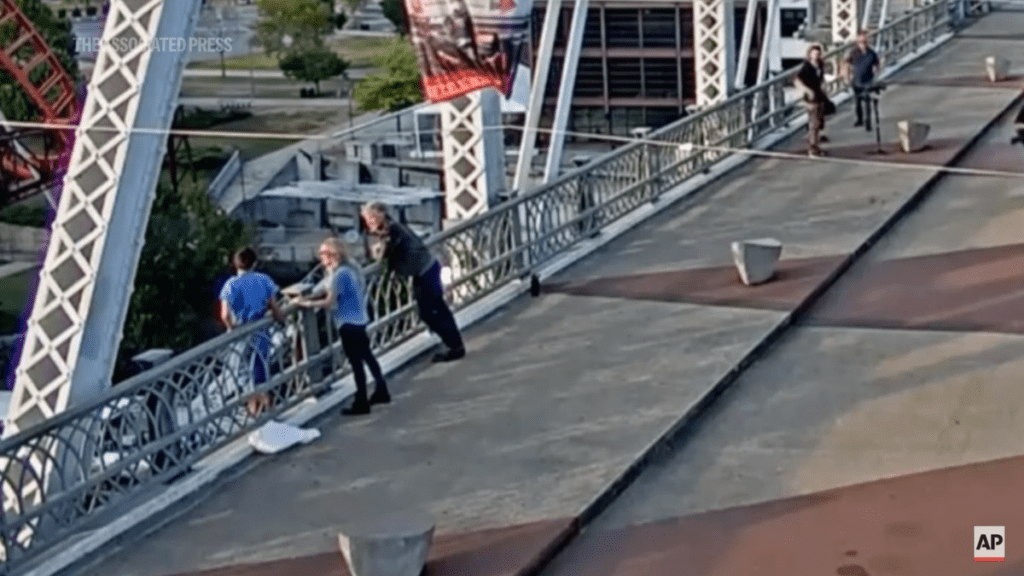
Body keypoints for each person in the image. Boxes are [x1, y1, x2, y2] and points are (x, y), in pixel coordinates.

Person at [295, 238, 390, 416]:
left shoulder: (339, 275)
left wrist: (305, 303)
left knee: (356, 364)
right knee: (367, 356)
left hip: (348, 323)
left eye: (323, 253)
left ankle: (362, 401)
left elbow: (329, 301)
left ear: (332, 255)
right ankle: (381, 388)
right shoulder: (350, 268)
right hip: (360, 319)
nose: (320, 257)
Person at [361, 202, 466, 363]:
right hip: (428, 269)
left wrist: (380, 260)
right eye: (367, 219)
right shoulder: (394, 227)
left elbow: (386, 259)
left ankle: (454, 346)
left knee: (430, 313)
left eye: (371, 218)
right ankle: (454, 344)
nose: (369, 222)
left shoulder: (391, 230)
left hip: (425, 273)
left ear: (381, 214)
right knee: (438, 310)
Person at [219, 247, 285, 416]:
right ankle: (266, 407)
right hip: (261, 330)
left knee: (241, 371)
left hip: (241, 333)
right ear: (255, 262)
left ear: (235, 264)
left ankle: (252, 410)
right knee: (260, 368)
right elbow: (275, 308)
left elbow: (225, 314)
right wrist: (281, 319)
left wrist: (231, 328)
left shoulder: (230, 285)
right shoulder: (263, 280)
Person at [795, 44, 829, 157]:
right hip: (811, 98)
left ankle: (816, 146)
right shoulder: (806, 67)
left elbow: (821, 79)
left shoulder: (820, 65)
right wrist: (806, 90)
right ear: (810, 54)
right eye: (814, 53)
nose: (816, 55)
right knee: (813, 123)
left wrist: (823, 87)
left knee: (819, 122)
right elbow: (797, 80)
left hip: (819, 96)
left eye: (818, 53)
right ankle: (812, 148)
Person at [845, 30, 880, 131]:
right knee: (858, 101)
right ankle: (859, 119)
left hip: (868, 79)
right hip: (856, 80)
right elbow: (847, 63)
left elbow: (877, 64)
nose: (863, 44)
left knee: (868, 101)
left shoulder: (871, 53)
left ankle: (868, 122)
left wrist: (876, 70)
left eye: (864, 42)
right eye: (860, 42)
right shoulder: (853, 52)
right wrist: (847, 76)